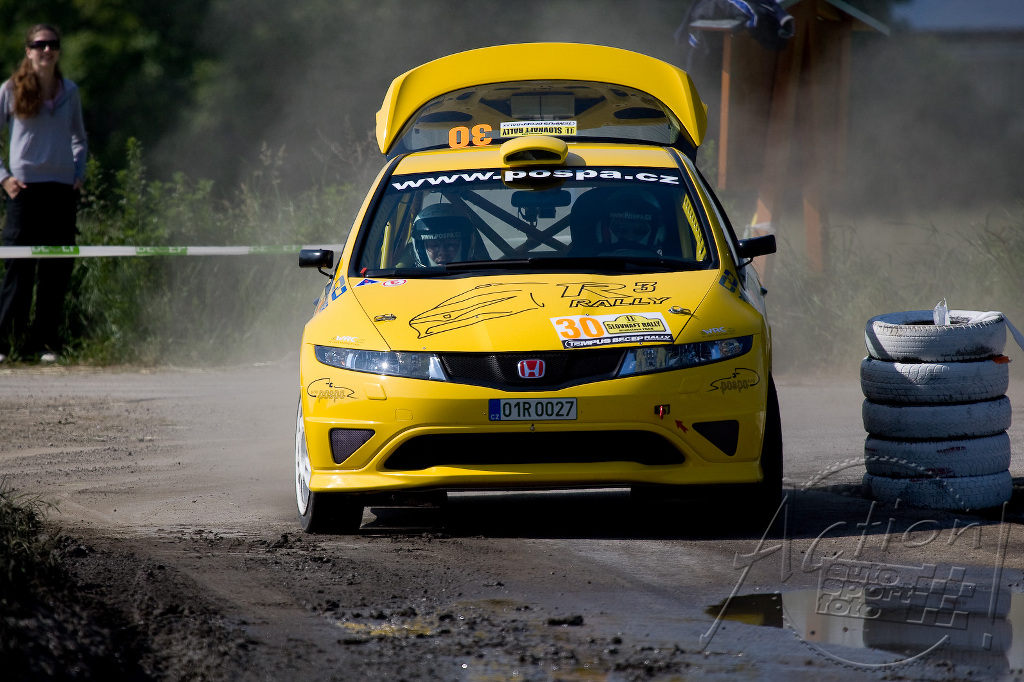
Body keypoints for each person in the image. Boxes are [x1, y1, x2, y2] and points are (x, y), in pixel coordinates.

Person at [0, 23, 86, 363]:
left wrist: (77, 174)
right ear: (28, 51)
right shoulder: (10, 89)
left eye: (52, 44)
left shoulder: (70, 91)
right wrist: (4, 178)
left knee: (55, 269)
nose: (46, 50)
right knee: (18, 268)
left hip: (61, 190)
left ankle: (45, 343)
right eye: (39, 44)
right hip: (23, 189)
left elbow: (79, 138)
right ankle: (6, 343)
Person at [407, 203, 477, 267]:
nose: (442, 253)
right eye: (433, 245)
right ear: (420, 249)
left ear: (466, 245)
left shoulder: (481, 274)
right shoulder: (405, 275)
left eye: (450, 245)